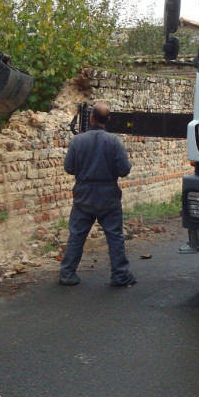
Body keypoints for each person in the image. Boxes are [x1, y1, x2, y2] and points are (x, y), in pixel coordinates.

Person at [59, 102, 137, 287]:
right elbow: (124, 170)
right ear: (108, 119)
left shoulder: (77, 141)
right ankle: (119, 275)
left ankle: (67, 274)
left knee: (77, 235)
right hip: (108, 194)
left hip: (83, 194)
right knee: (114, 235)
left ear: (91, 118)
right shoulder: (114, 142)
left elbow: (69, 168)